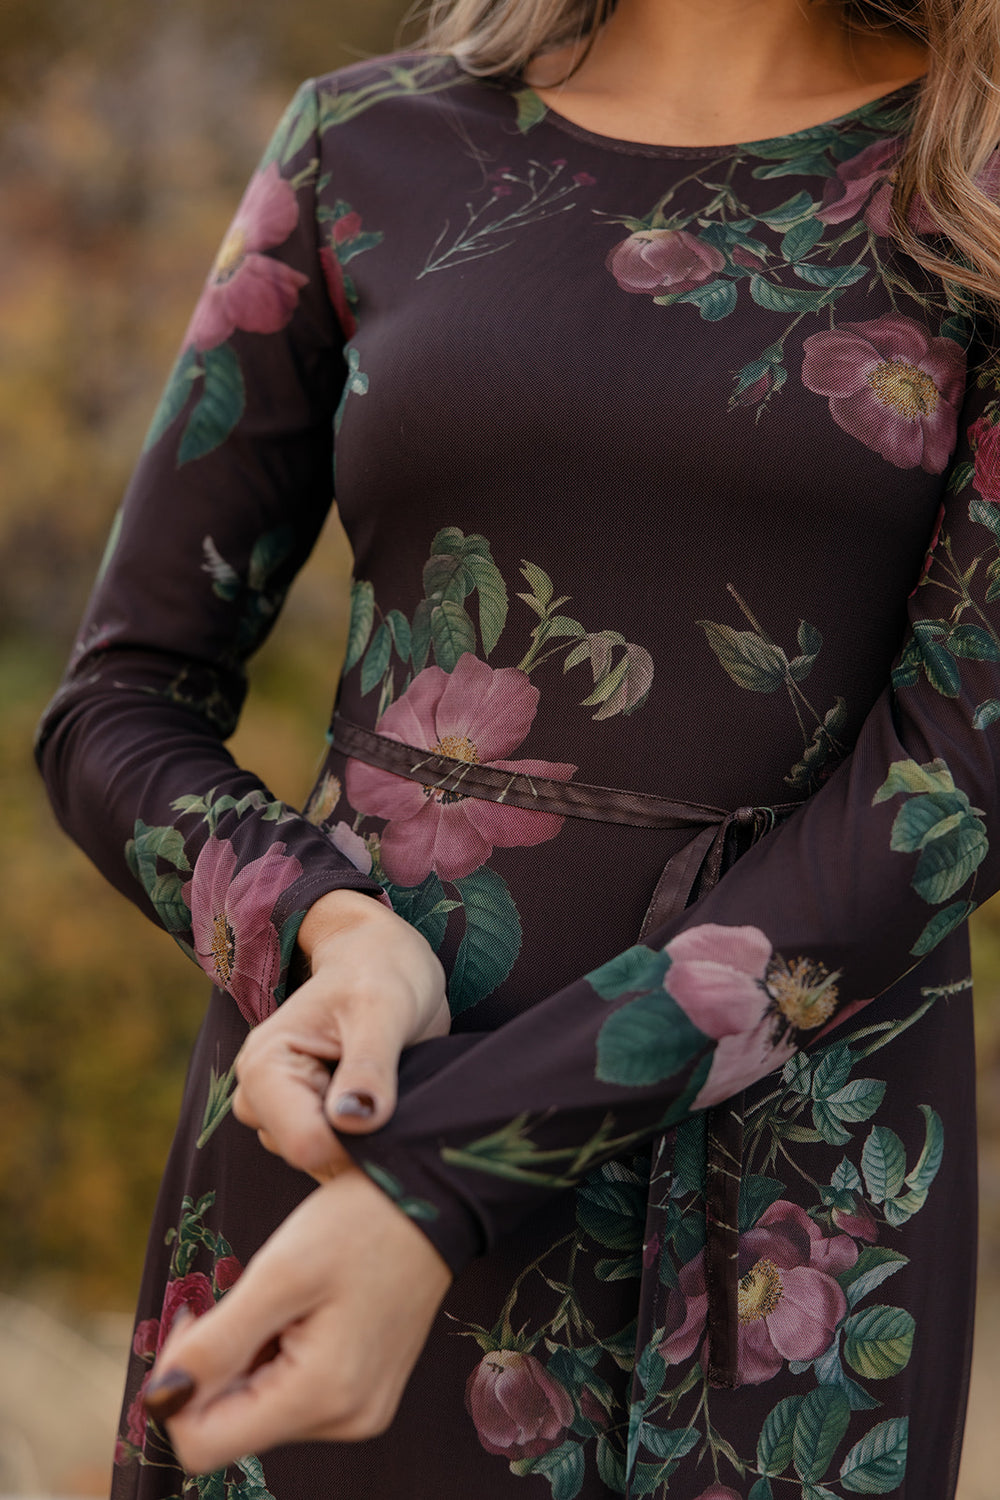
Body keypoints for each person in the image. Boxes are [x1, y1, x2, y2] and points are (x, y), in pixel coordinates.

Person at [36, 0, 1000, 1494]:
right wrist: (325, 933)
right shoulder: (366, 142)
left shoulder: (976, 193)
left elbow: (950, 793)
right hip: (348, 1118)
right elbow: (118, 702)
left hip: (778, 1229)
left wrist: (445, 1178)